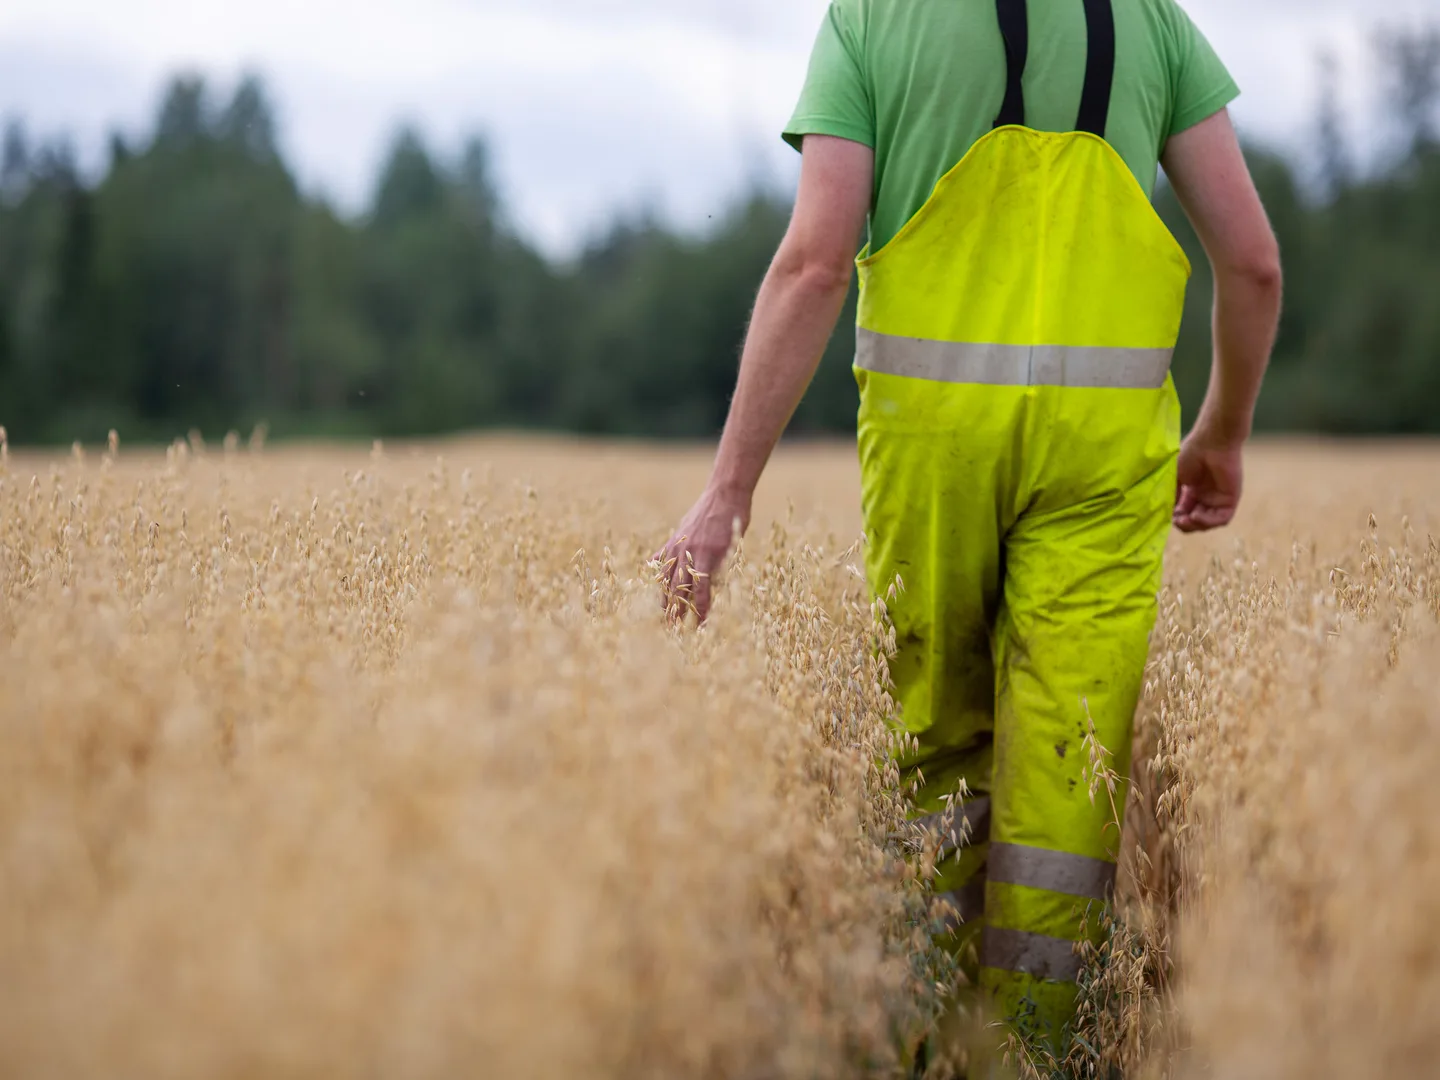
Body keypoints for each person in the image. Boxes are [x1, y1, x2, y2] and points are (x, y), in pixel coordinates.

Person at [656, 0, 1282, 1054]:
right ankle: (1031, 1052)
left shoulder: (868, 20)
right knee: (1066, 776)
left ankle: (929, 1046)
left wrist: (728, 491)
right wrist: (1220, 432)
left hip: (929, 443)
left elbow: (814, 261)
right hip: (1103, 453)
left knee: (939, 752)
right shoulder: (1150, 24)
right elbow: (1254, 262)